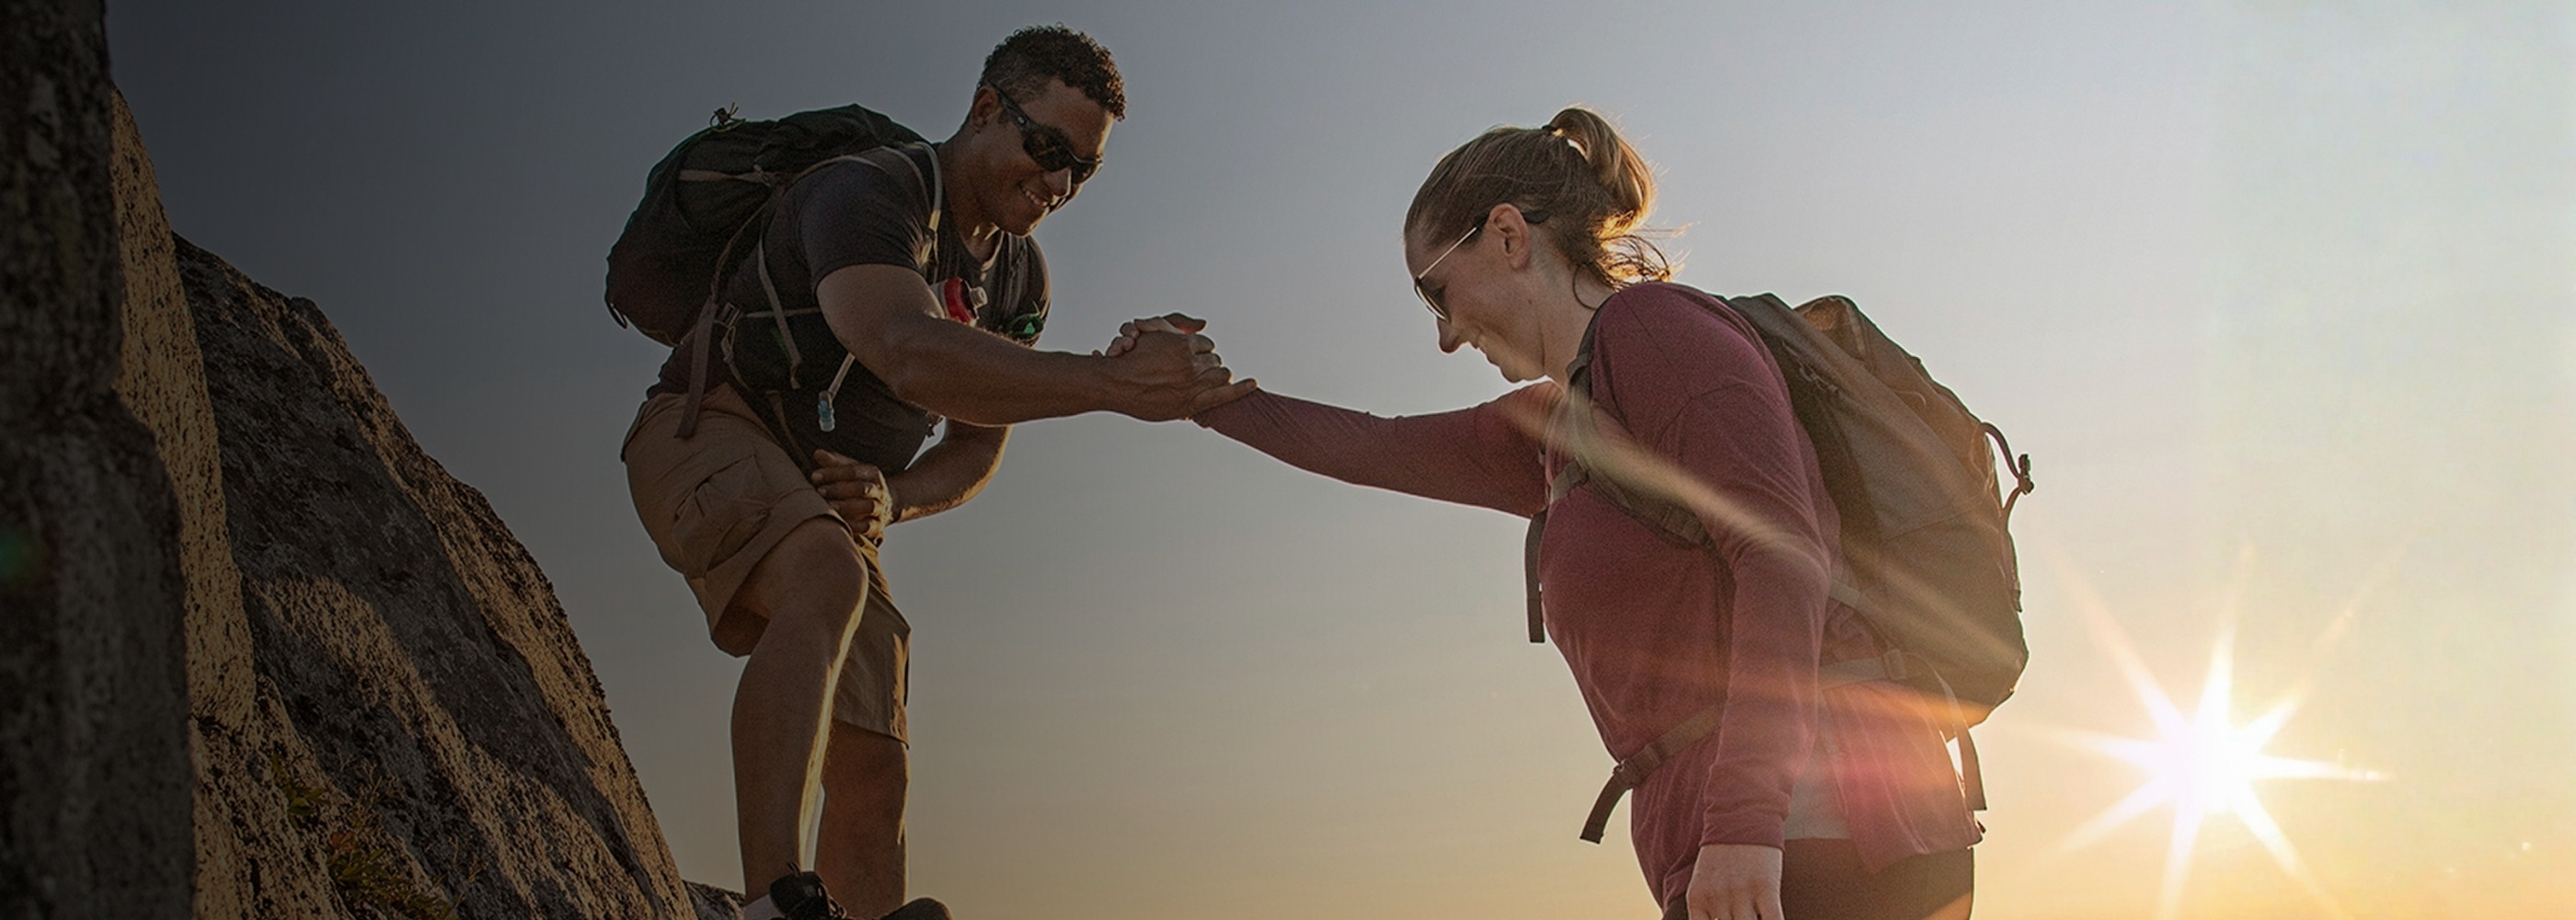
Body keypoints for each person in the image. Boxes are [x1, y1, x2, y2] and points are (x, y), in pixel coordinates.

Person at [1122, 108, 1981, 919]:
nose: (1446, 335)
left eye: (1437, 293)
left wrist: (1747, 825)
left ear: (1506, 235)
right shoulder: (1557, 428)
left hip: (1826, 832)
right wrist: (1194, 393)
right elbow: (1373, 445)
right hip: (1746, 845)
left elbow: (1783, 554)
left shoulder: (1654, 331)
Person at [621, 26, 1249, 920]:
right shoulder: (869, 191)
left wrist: (894, 496)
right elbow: (903, 346)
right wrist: (1112, 382)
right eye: (1048, 149)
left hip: (834, 500)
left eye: (1084, 168)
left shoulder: (1019, 283)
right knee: (824, 572)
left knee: (876, 755)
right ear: (987, 109)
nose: (1061, 183)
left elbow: (975, 442)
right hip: (708, 425)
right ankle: (772, 903)